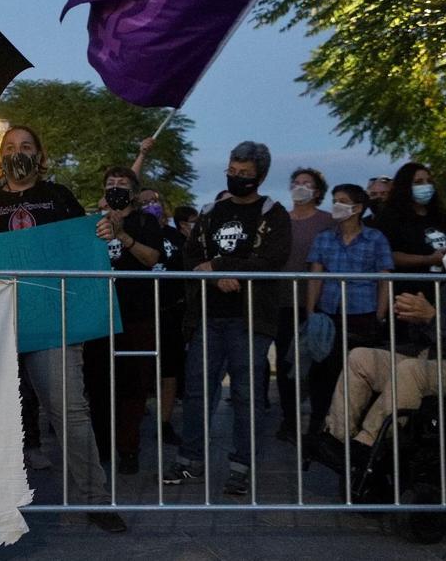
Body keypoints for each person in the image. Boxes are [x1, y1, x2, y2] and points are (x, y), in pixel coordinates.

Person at [0, 125, 125, 533]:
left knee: (68, 409)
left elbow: (85, 243)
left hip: (53, 320)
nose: (17, 152)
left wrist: (102, 232)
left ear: (40, 156)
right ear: (0, 156)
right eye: (10, 147)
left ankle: (95, 499)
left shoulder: (59, 197)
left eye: (26, 146)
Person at [164, 141, 291, 496]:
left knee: (245, 395)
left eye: (245, 175)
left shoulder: (274, 213)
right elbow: (191, 259)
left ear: (260, 176)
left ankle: (242, 465)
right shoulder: (210, 212)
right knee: (196, 391)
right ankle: (190, 460)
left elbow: (271, 260)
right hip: (208, 315)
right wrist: (213, 276)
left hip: (251, 319)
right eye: (232, 173)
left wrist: (220, 265)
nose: (237, 179)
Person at [320, 219, 446, 469]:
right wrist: (414, 316)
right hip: (432, 357)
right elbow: (428, 334)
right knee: (360, 357)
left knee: (409, 371)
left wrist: (431, 317)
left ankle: (368, 446)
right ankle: (337, 441)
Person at [303, 184, 393, 443]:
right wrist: (311, 312)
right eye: (334, 200)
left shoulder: (376, 238)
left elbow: (384, 278)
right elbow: (315, 276)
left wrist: (380, 314)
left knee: (357, 373)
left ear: (357, 209)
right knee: (322, 372)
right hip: (329, 313)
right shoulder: (324, 237)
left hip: (362, 313)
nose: (336, 205)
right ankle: (319, 427)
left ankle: (355, 431)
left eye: (342, 201)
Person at [87, 167, 161, 475]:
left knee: (132, 386)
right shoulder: (91, 223)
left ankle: (129, 448)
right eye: (110, 184)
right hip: (99, 314)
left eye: (122, 184)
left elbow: (151, 258)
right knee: (98, 383)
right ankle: (102, 447)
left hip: (136, 314)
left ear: (133, 192)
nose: (115, 188)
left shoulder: (146, 222)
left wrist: (123, 236)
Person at [273, 168, 334, 444]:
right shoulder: (280, 221)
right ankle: (289, 417)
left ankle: (320, 419)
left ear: (318, 191)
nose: (300, 187)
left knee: (319, 363)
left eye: (306, 183)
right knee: (287, 362)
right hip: (283, 302)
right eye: (296, 182)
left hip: (318, 304)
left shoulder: (328, 221)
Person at [139, 187, 189, 446]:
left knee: (169, 370)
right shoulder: (135, 234)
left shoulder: (175, 237)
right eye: (144, 201)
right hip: (140, 311)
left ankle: (165, 422)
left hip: (170, 311)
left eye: (154, 200)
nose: (150, 204)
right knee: (138, 369)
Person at [373, 162, 446, 299]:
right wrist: (428, 259)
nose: (426, 186)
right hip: (407, 292)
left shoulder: (443, 216)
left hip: (444, 290)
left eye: (428, 181)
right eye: (418, 182)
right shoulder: (390, 217)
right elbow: (388, 255)